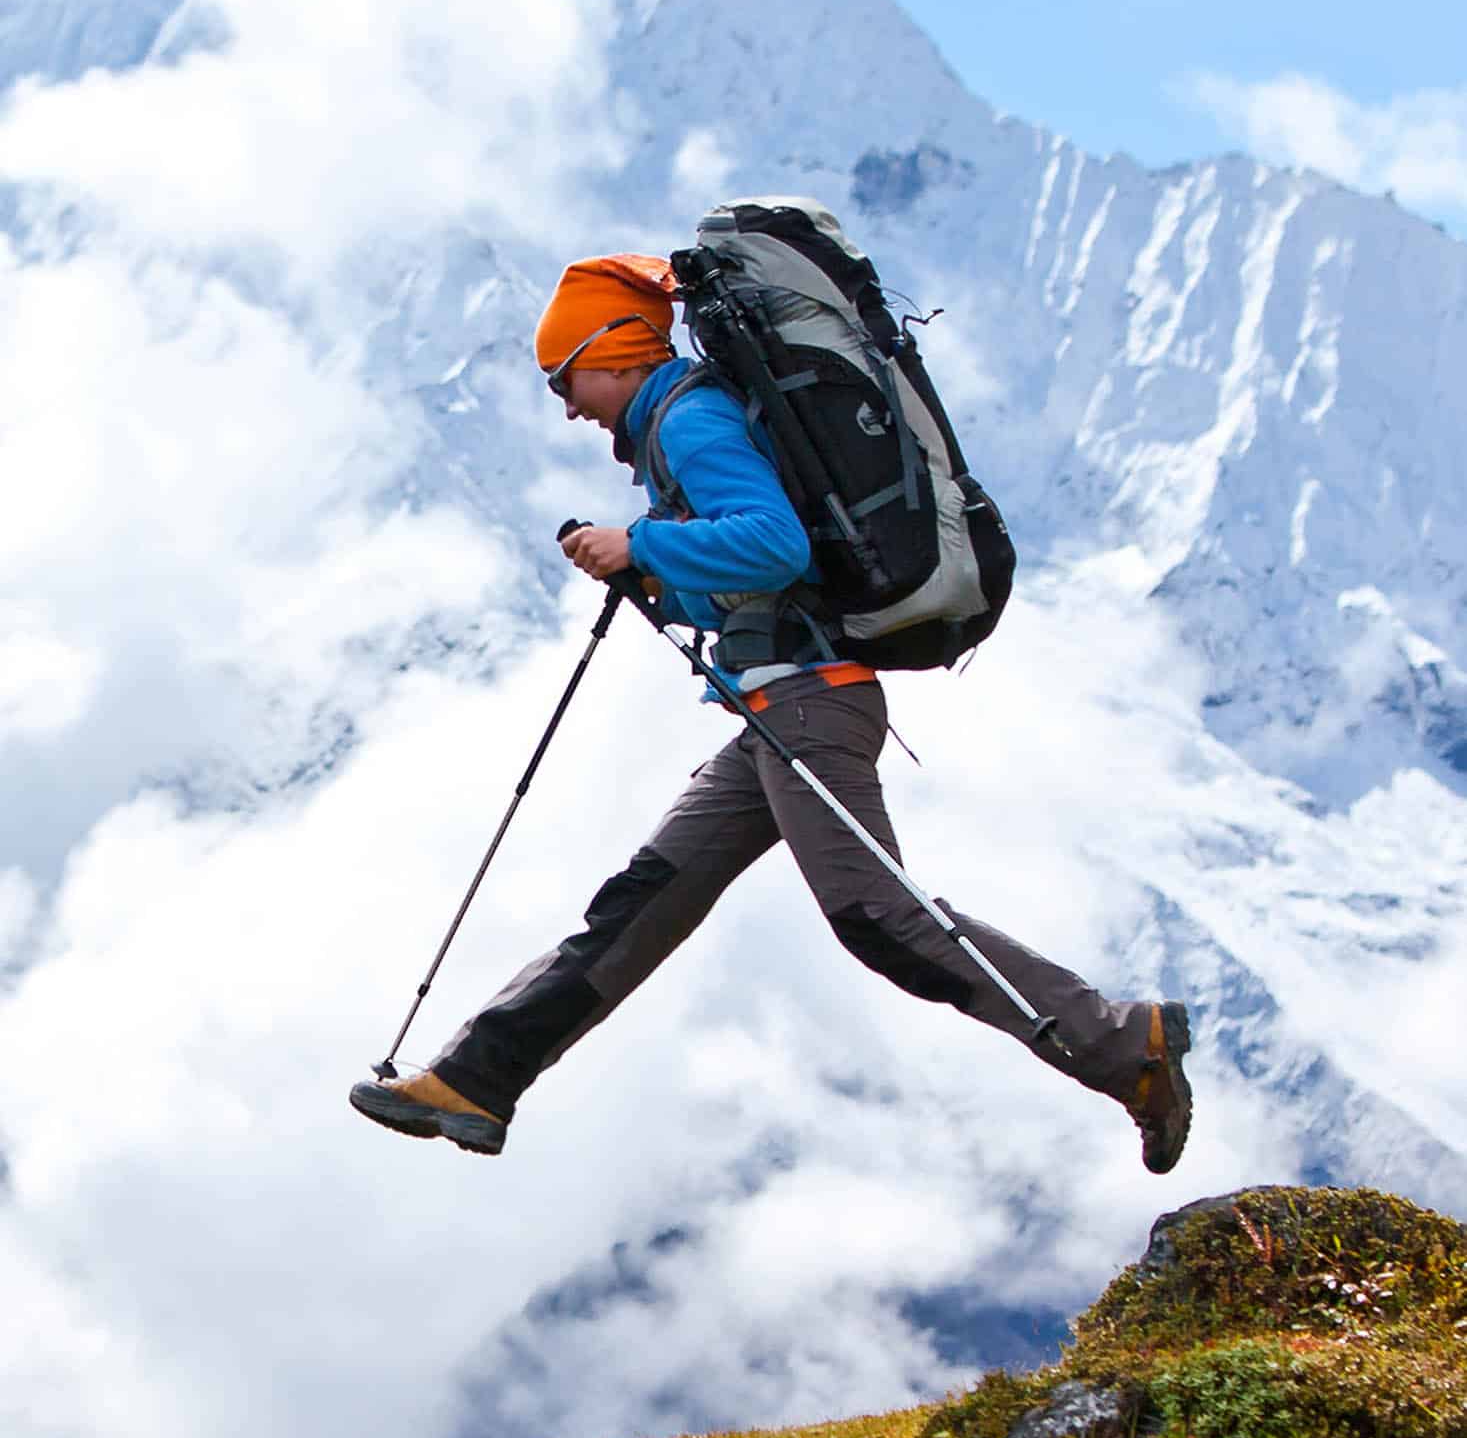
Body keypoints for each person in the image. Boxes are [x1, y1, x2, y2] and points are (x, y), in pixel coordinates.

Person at [350, 249, 1193, 1170]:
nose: (565, 404)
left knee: (873, 915)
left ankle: (1122, 1042)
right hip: (773, 709)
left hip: (804, 706)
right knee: (638, 906)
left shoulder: (689, 419)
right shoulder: (685, 420)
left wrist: (638, 544)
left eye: (566, 378)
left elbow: (770, 545)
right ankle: (477, 1078)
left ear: (614, 349)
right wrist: (656, 566)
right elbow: (751, 570)